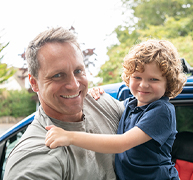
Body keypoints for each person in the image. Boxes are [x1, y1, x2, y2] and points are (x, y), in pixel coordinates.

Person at [45, 39, 187, 180]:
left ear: (168, 82)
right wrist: (97, 91)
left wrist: (69, 136)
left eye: (153, 79)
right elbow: (112, 106)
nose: (143, 85)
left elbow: (122, 144)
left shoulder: (161, 111)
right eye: (137, 77)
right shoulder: (131, 104)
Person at [3, 27, 125, 180]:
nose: (74, 85)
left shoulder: (102, 103)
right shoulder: (33, 158)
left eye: (78, 71)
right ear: (34, 83)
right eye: (58, 75)